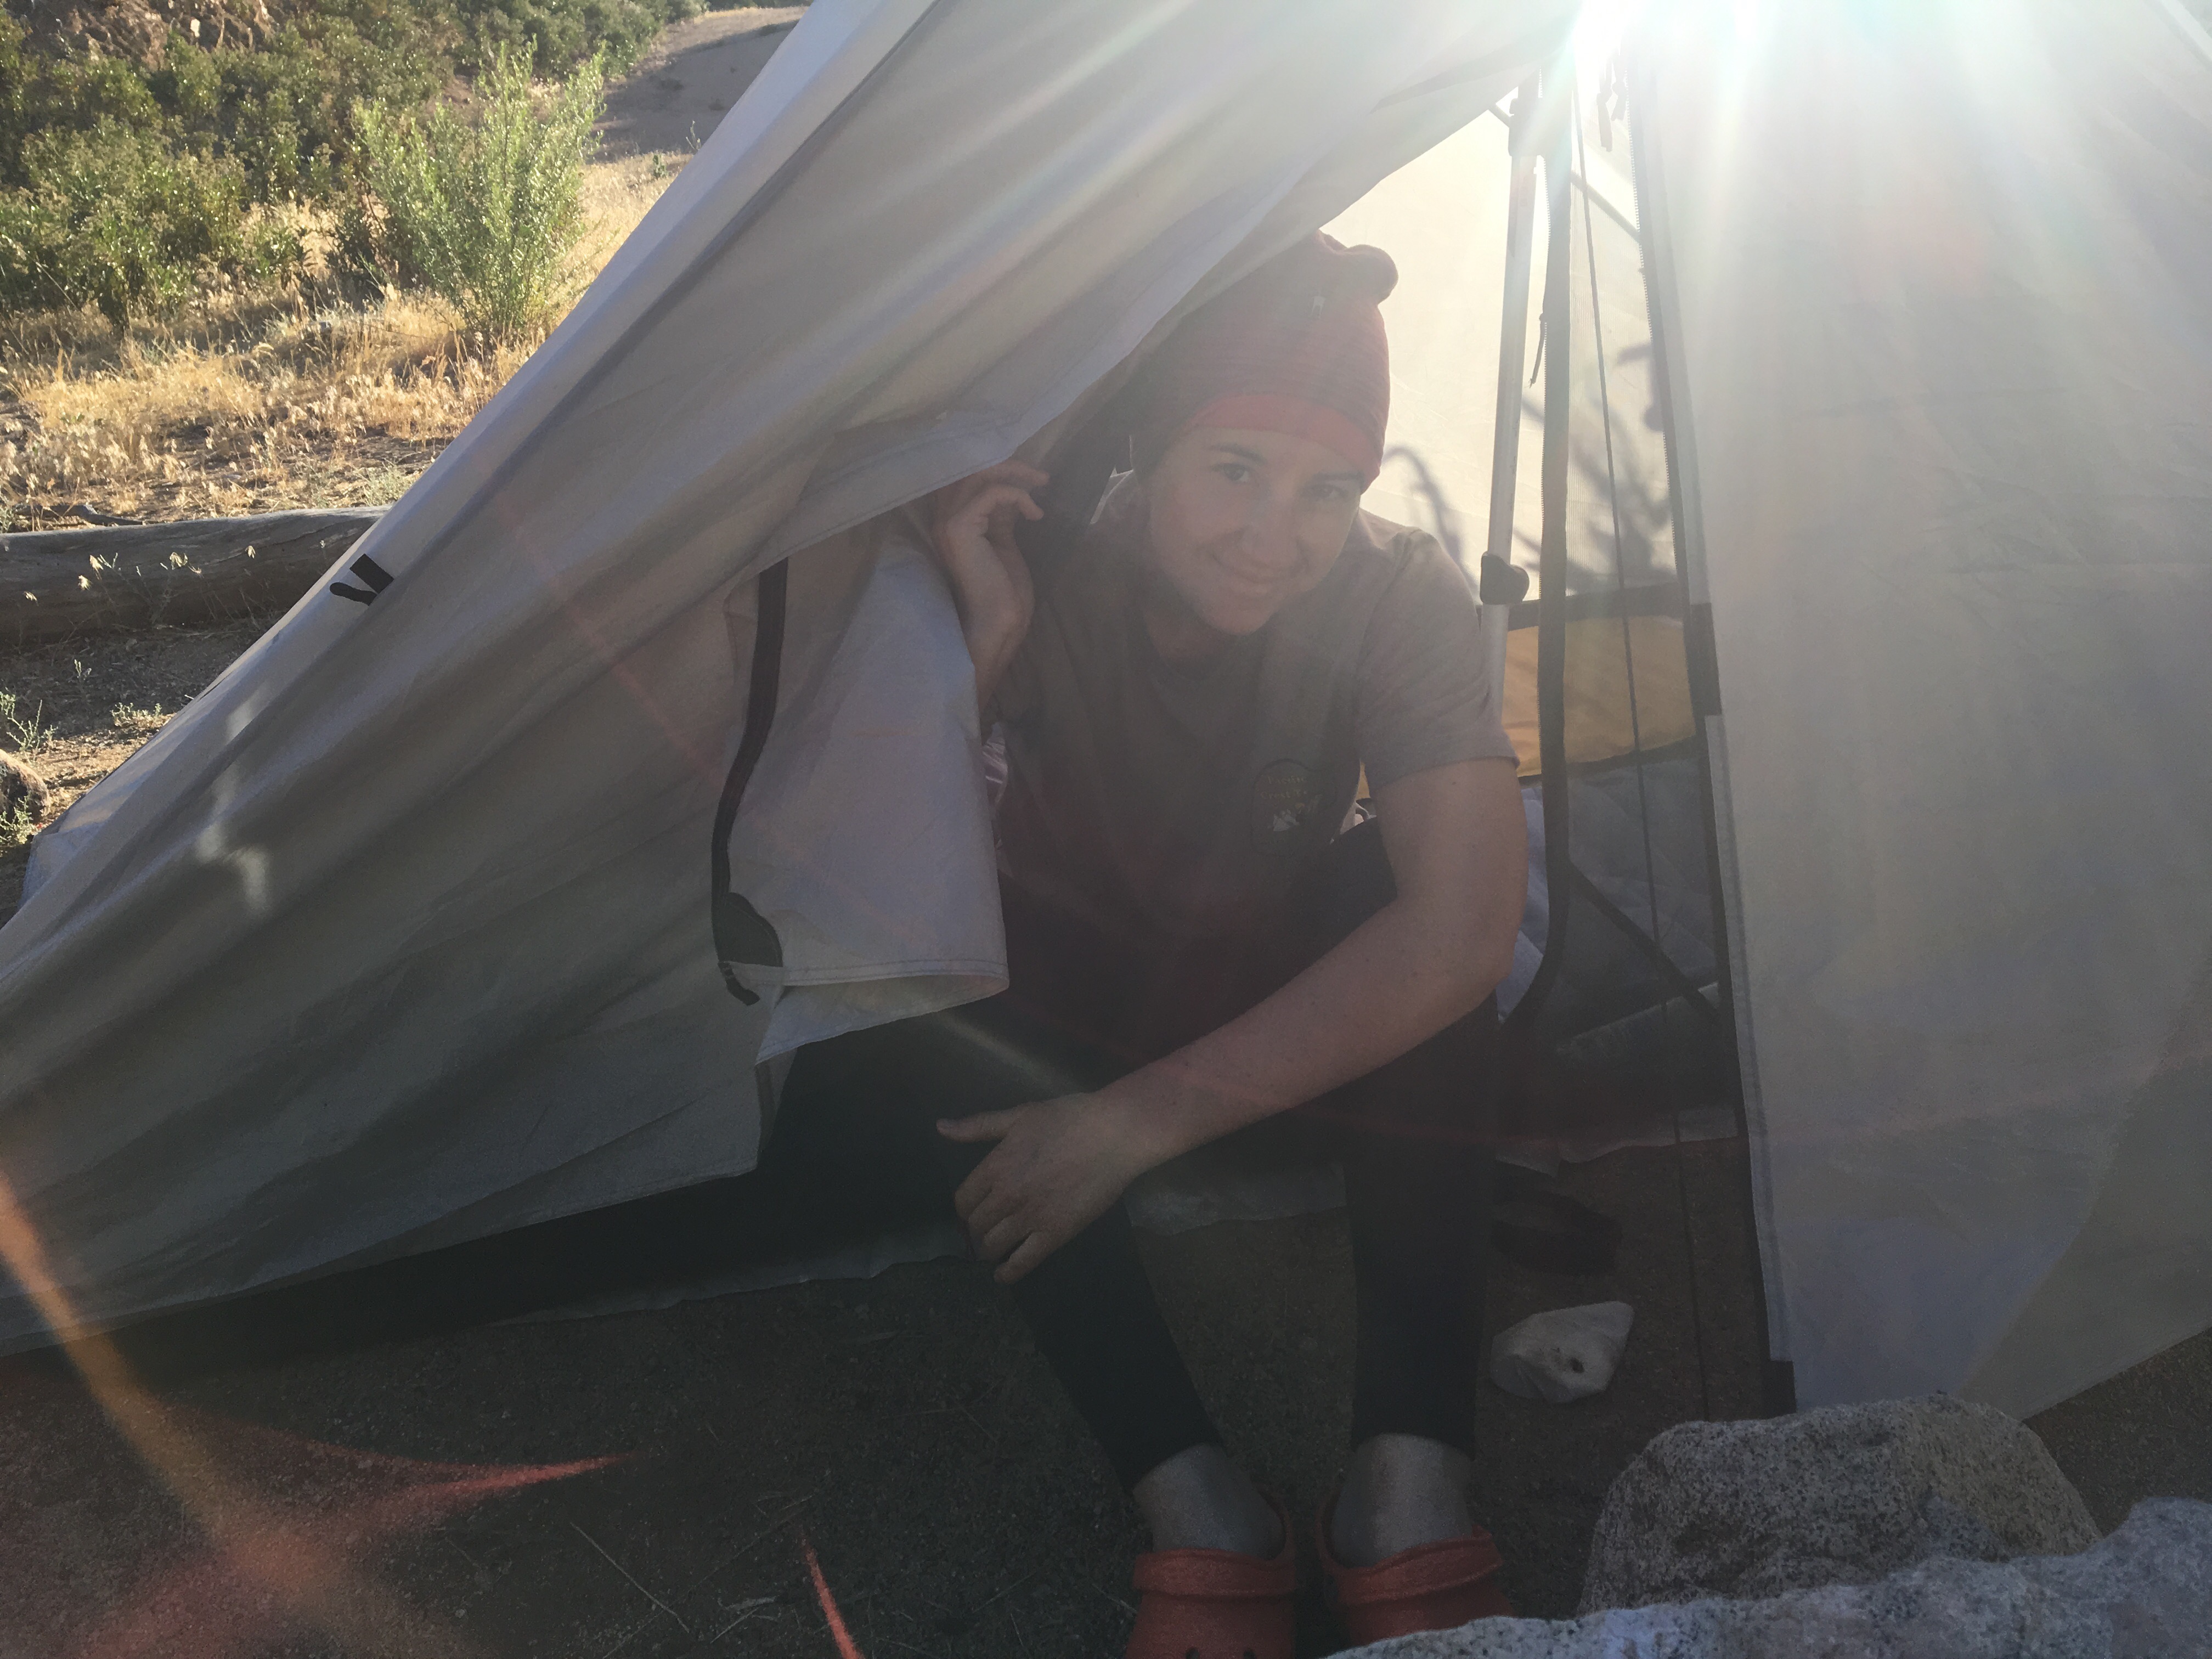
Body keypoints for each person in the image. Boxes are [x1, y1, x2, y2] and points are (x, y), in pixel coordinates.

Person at [771, 233, 1527, 1659]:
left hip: (1235, 1015)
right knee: (928, 1005)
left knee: (1412, 919)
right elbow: (858, 884)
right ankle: (1198, 1504)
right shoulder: (1037, 560)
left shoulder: (1394, 594)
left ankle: (1408, 1485)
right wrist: (983, 650)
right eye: (1234, 469)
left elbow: (1468, 923)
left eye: (1326, 489)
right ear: (1153, 448)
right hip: (1052, 1011)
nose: (1272, 536)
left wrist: (1125, 1131)